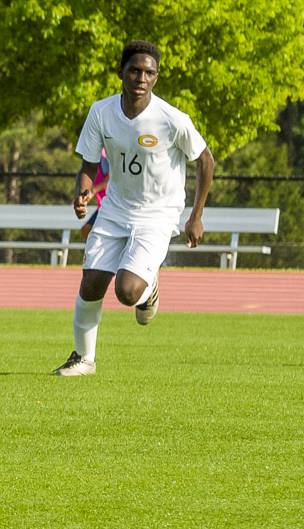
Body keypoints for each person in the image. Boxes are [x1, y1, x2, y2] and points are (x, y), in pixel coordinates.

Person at [54, 40, 214, 377]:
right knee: (91, 283)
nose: (141, 77)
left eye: (149, 72)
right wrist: (82, 193)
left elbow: (205, 160)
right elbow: (87, 164)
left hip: (158, 214)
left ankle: (148, 284)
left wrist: (195, 216)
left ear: (156, 78)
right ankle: (83, 359)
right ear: (121, 73)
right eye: (135, 70)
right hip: (114, 209)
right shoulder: (101, 112)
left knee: (127, 293)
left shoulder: (172, 119)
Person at [78, 149, 110, 240]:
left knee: (88, 229)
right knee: (87, 229)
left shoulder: (103, 156)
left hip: (110, 203)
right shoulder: (93, 158)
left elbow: (109, 179)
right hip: (103, 204)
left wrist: (92, 191)